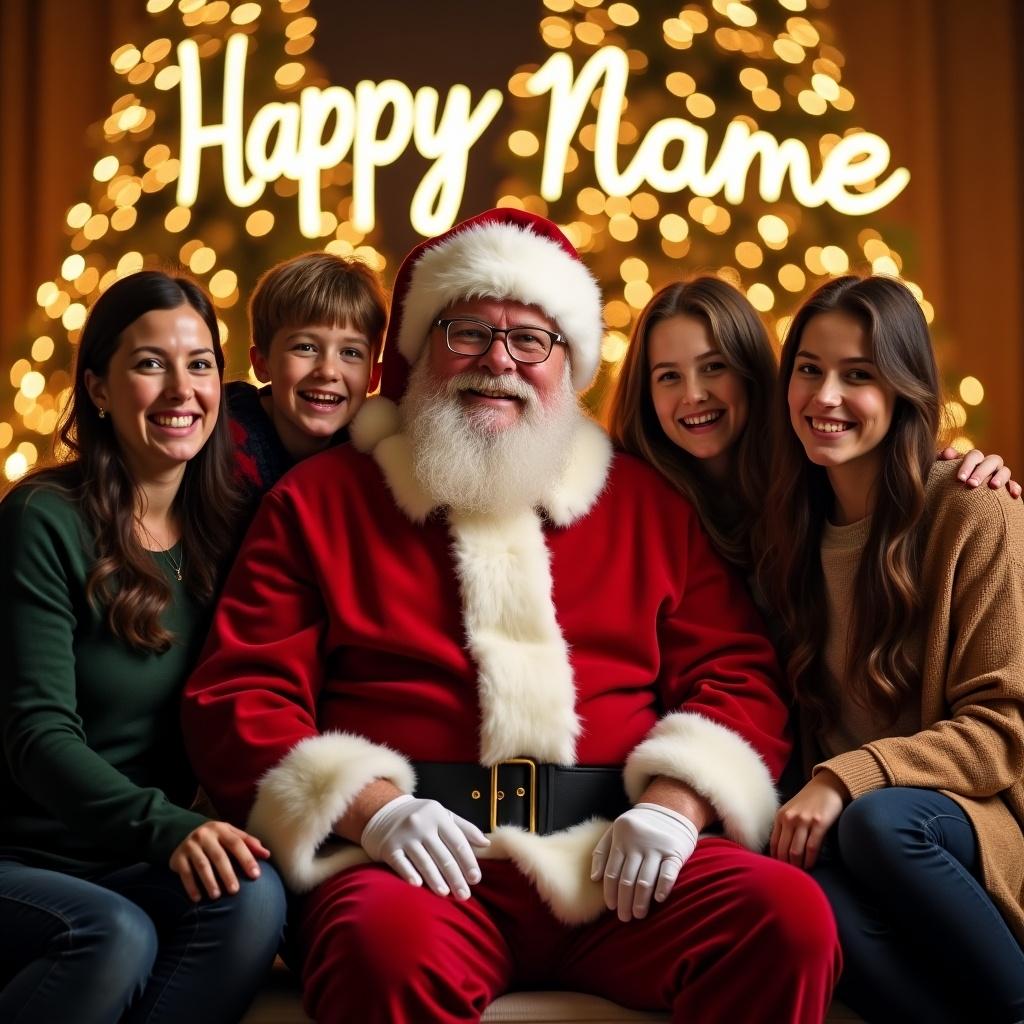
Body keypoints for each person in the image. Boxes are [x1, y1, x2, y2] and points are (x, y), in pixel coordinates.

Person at [181, 208, 840, 1024]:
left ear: (568, 363)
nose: (499, 361)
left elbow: (736, 673)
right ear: (418, 350)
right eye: (466, 331)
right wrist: (373, 808)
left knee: (787, 920)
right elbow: (242, 696)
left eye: (532, 339)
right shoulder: (320, 501)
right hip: (414, 868)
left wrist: (675, 806)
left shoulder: (644, 502)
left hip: (618, 858)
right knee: (379, 953)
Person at [0, 271, 287, 1023]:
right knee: (111, 935)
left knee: (252, 898)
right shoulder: (42, 518)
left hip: (127, 859)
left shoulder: (232, 531)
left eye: (199, 365)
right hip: (23, 854)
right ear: (97, 389)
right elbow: (36, 737)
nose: (181, 390)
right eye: (149, 363)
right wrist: (170, 829)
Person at [761, 275, 1024, 1023]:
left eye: (859, 375)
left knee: (882, 821)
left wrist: (846, 781)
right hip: (848, 838)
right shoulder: (789, 530)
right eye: (809, 369)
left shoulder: (974, 508)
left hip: (970, 824)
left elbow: (1004, 731)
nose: (825, 396)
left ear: (904, 389)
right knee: (795, 903)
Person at [606, 277, 1020, 573]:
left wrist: (967, 479)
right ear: (645, 393)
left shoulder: (810, 491)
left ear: (754, 374)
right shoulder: (627, 505)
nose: (693, 394)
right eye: (667, 376)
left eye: (714, 367)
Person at [228, 251, 387, 511]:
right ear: (261, 363)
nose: (327, 371)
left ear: (373, 377)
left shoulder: (372, 453)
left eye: (350, 352)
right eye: (305, 347)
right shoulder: (225, 450)